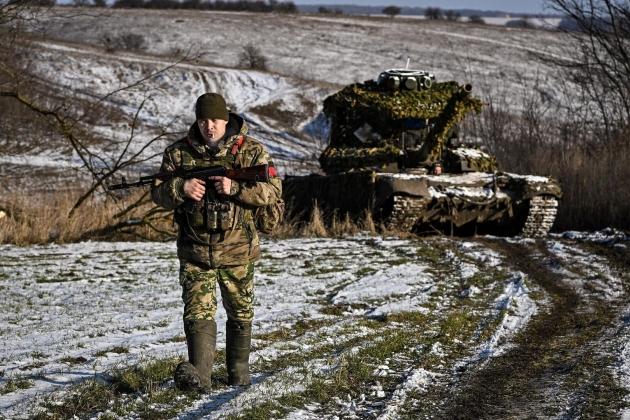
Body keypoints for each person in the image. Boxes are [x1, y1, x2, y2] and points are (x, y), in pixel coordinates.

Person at [151, 93, 282, 391]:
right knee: (197, 312)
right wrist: (180, 187)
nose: (209, 126)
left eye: (215, 120)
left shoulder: (250, 151)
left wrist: (235, 188)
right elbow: (158, 193)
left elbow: (273, 191)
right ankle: (200, 378)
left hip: (238, 250)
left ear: (226, 119)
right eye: (203, 120)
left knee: (240, 312)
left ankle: (239, 375)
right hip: (195, 250)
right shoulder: (177, 153)